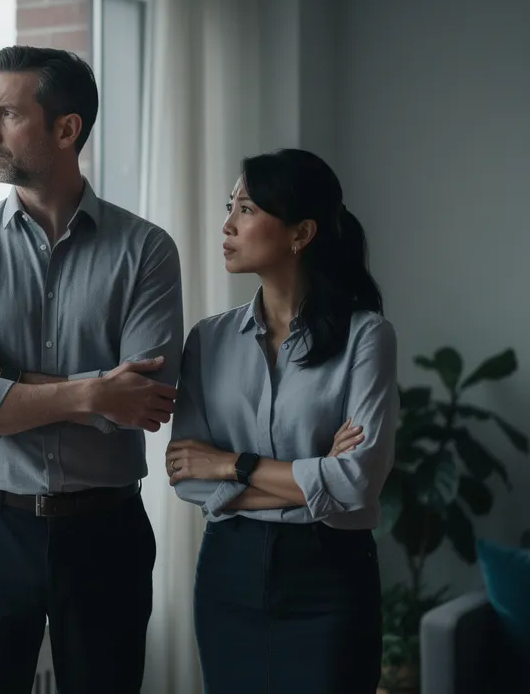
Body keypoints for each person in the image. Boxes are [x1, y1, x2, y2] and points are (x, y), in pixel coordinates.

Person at [0, 45, 185, 694]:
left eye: (6, 114)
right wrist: (96, 393)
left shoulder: (146, 251)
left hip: (107, 533)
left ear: (67, 130)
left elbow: (142, 405)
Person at [165, 148, 398, 693]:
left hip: (330, 577)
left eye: (245, 209)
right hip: (228, 575)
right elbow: (187, 477)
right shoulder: (208, 340)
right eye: (230, 206)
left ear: (301, 232)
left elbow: (359, 481)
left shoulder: (366, 338)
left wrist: (231, 464)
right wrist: (314, 476)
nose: (227, 224)